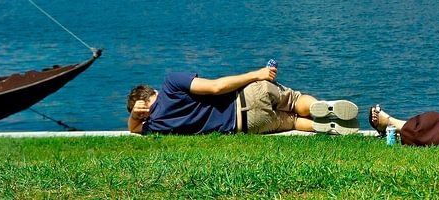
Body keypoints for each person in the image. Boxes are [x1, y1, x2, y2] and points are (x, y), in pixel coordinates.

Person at [127, 64, 359, 136]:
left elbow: (134, 129)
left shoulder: (156, 125)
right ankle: (322, 107)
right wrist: (255, 74)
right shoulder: (171, 83)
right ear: (151, 91)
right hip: (248, 95)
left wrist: (135, 116)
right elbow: (216, 87)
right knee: (294, 100)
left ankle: (325, 126)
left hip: (248, 124)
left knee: (291, 121)